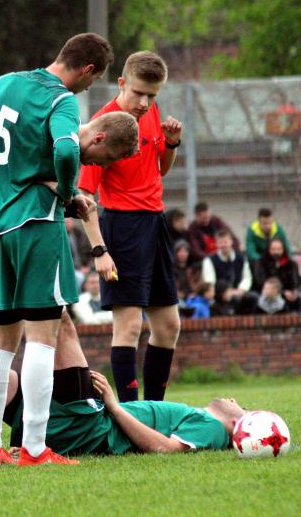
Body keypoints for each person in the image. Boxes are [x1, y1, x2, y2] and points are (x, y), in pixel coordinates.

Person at [0, 32, 137, 467]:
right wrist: (69, 192)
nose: (89, 89)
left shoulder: (5, 82)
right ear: (87, 70)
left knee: (1, 340)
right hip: (34, 223)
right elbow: (67, 148)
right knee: (43, 338)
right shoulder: (62, 101)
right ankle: (34, 448)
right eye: (94, 80)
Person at [0, 321, 244, 466]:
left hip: (88, 425)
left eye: (241, 409)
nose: (234, 401)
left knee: (58, 321)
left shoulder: (213, 428)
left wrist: (112, 405)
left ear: (238, 426)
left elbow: (165, 450)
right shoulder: (207, 419)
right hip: (87, 418)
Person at [77, 50, 183, 404]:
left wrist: (170, 144)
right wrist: (100, 251)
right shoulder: (103, 125)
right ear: (122, 83)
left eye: (152, 95)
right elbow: (83, 196)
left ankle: (155, 411)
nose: (144, 102)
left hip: (155, 223)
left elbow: (160, 170)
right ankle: (130, 415)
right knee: (130, 327)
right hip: (121, 227)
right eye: (138, 93)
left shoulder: (150, 113)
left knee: (168, 327)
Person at [201, 229, 257, 314]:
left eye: (225, 242)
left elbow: (247, 278)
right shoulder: (209, 260)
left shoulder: (241, 258)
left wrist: (241, 290)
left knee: (253, 297)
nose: (223, 245)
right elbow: (210, 282)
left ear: (231, 242)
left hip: (238, 293)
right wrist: (224, 292)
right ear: (216, 244)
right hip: (219, 296)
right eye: (220, 242)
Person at [252, 237, 301, 312]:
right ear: (269, 250)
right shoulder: (261, 263)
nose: (276, 252)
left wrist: (294, 292)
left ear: (283, 250)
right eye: (273, 249)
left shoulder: (291, 264)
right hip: (267, 293)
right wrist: (282, 292)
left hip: (289, 294)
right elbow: (260, 282)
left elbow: (296, 281)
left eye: (279, 249)